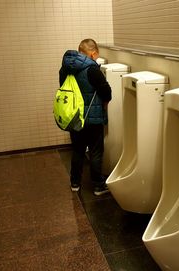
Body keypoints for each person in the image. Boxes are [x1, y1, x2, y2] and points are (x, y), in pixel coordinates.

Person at [59, 39, 112, 196]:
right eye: (96, 56)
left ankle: (75, 183)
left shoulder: (65, 68)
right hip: (92, 117)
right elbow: (106, 91)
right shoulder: (92, 69)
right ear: (93, 53)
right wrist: (105, 104)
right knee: (95, 151)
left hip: (74, 116)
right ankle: (98, 186)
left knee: (78, 150)